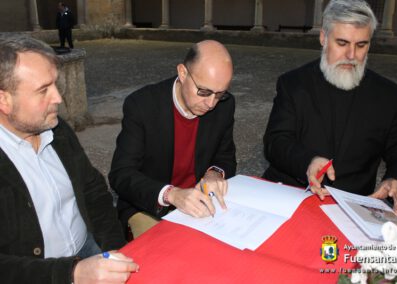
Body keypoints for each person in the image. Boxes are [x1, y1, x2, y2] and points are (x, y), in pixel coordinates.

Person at [0, 35, 138, 283]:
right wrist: (72, 274)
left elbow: (93, 190)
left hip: (90, 249)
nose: (58, 98)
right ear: (4, 100)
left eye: (55, 84)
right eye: (43, 90)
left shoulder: (56, 128)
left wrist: (114, 248)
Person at [262, 0, 397, 212]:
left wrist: (394, 177)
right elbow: (276, 142)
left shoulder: (389, 95)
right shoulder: (293, 84)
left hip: (352, 207)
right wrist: (308, 162)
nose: (352, 55)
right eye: (342, 43)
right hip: (292, 197)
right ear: (323, 38)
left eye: (361, 45)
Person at [109, 40, 237, 238]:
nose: (211, 103)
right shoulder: (142, 105)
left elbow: (226, 157)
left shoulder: (224, 105)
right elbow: (121, 174)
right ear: (183, 73)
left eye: (220, 94)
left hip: (200, 203)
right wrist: (171, 194)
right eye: (203, 92)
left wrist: (215, 174)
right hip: (148, 206)